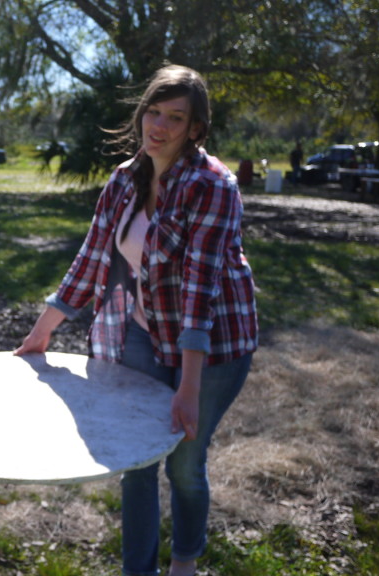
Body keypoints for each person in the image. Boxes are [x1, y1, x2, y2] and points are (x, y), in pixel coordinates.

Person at [15, 65, 258, 576]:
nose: (160, 126)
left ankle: (185, 562)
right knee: (137, 461)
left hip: (214, 346)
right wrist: (44, 328)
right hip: (146, 331)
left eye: (176, 117)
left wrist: (186, 388)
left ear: (195, 129)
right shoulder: (124, 179)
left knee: (185, 463)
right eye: (154, 112)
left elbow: (200, 290)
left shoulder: (213, 185)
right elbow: (91, 257)